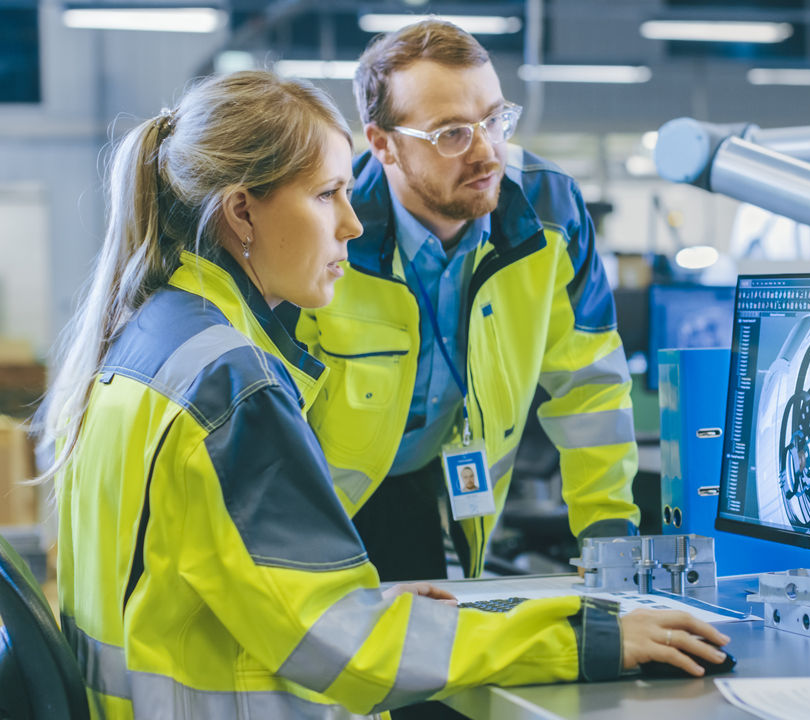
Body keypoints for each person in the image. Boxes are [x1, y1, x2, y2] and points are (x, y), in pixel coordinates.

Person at [38, 70, 728, 720]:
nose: (352, 223)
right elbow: (351, 653)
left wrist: (359, 602)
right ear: (242, 212)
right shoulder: (230, 385)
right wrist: (587, 639)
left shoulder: (148, 344)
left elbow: (205, 592)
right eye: (325, 194)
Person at [292, 18, 639, 582]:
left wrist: (610, 547)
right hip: (320, 504)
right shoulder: (330, 232)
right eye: (451, 133)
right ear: (382, 144)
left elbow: (591, 388)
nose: (487, 152)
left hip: (436, 482)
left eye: (495, 120)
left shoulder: (549, 211)